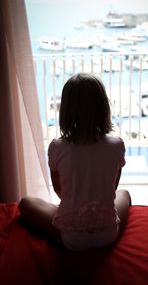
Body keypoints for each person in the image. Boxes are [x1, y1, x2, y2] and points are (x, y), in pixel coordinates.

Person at [19, 73, 131, 251]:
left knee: (25, 203)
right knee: (125, 194)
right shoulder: (117, 145)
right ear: (103, 108)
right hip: (108, 235)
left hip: (70, 238)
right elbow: (113, 189)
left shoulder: (57, 147)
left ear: (65, 111)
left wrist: (78, 207)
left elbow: (60, 191)